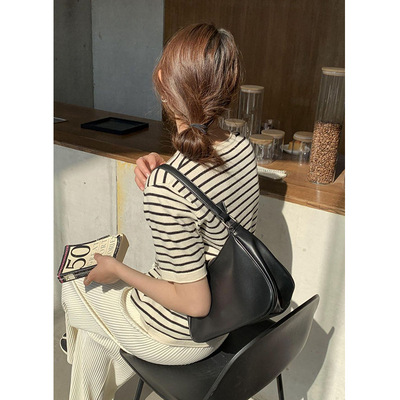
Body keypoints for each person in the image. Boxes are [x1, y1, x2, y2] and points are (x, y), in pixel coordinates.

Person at [61, 22, 260, 400]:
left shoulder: (168, 187)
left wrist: (118, 269)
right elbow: (207, 191)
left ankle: (76, 339)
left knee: (74, 287)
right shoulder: (242, 148)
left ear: (165, 89)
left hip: (182, 336)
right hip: (227, 316)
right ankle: (88, 341)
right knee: (94, 333)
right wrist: (169, 168)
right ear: (228, 87)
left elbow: (194, 304)